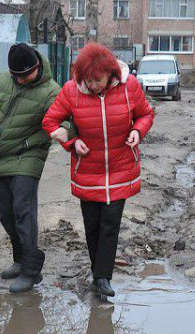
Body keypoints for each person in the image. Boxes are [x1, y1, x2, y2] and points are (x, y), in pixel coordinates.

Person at [43, 43, 155, 298]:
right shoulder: (72, 91)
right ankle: (97, 272)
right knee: (92, 226)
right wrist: (71, 142)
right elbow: (50, 121)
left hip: (120, 168)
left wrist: (138, 131)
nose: (93, 85)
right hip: (88, 172)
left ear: (110, 73)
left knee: (110, 225)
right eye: (88, 80)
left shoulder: (130, 87)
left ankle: (103, 278)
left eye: (98, 79)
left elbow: (146, 114)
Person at [0, 44, 67, 294]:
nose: (21, 80)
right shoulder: (3, 81)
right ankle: (20, 259)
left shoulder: (50, 92)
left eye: (26, 75)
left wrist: (67, 131)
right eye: (17, 76)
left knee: (24, 211)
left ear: (36, 67)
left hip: (28, 154)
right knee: (6, 213)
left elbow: (66, 119)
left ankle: (31, 272)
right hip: (2, 155)